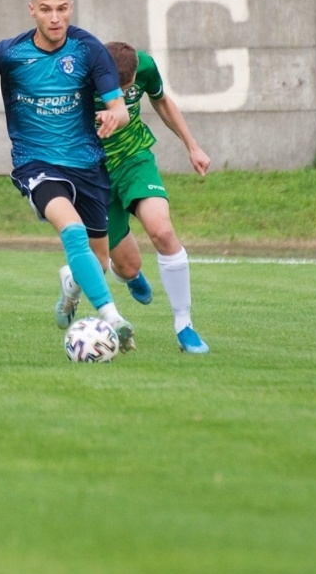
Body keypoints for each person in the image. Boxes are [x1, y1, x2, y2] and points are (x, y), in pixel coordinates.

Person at [0, 0, 134, 348]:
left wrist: (113, 116)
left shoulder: (89, 50)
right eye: (46, 10)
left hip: (88, 165)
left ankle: (71, 288)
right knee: (71, 230)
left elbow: (120, 109)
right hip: (36, 165)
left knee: (100, 262)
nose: (55, 18)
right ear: (32, 11)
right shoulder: (10, 53)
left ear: (70, 6)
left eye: (61, 9)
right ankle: (113, 318)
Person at [60, 41, 213, 354]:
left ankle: (185, 326)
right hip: (94, 175)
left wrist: (192, 146)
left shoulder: (144, 66)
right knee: (127, 268)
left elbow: (161, 100)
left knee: (163, 231)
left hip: (134, 160)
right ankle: (84, 280)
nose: (120, 96)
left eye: (127, 90)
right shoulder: (76, 77)